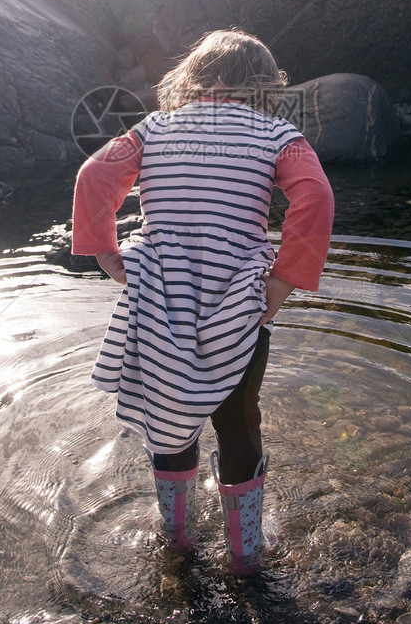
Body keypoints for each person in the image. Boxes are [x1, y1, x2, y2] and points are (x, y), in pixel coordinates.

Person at [71, 29, 334, 573]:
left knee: (169, 414)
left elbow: (94, 174)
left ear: (190, 77)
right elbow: (316, 199)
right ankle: (245, 553)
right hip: (239, 298)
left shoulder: (155, 128)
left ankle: (176, 538)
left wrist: (106, 253)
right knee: (238, 421)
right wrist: (283, 280)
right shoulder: (279, 134)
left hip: (160, 298)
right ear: (265, 85)